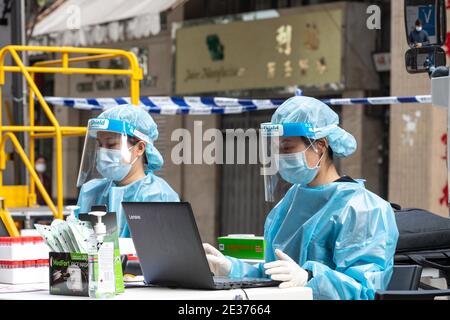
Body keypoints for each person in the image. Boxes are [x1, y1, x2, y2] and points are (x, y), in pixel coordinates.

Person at [203, 96, 399, 300]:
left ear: (320, 145)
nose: (281, 156)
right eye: (277, 149)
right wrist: (231, 268)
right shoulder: (288, 204)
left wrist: (310, 278)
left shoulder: (364, 209)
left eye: (287, 148)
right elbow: (274, 277)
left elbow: (364, 291)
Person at [76, 104, 179, 237]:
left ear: (140, 148)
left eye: (111, 144)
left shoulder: (160, 196)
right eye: (100, 145)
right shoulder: (91, 192)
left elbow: (168, 252)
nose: (102, 152)